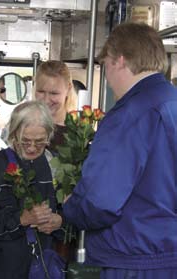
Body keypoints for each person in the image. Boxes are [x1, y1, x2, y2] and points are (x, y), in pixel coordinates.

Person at [63, 22, 177, 278]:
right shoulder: (173, 102)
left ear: (119, 61)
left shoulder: (129, 115)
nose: (107, 78)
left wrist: (72, 207)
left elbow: (101, 201)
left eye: (105, 66)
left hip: (132, 259)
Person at [0, 100, 63, 279]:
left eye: (40, 142)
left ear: (49, 136)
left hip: (37, 264)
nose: (32, 148)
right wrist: (21, 219)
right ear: (13, 134)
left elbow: (70, 213)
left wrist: (59, 221)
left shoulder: (54, 166)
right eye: (25, 141)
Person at [34, 60, 77, 154]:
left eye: (54, 93)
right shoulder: (23, 124)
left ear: (68, 89)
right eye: (41, 91)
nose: (46, 100)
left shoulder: (79, 133)